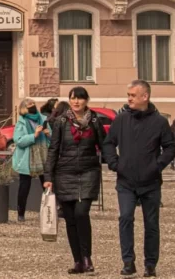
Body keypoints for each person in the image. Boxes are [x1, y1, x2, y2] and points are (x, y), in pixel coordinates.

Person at [102, 80, 175, 278]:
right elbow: (108, 143)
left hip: (151, 183)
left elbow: (170, 147)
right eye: (128, 95)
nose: (129, 98)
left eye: (133, 95)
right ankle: (128, 262)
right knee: (125, 218)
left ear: (145, 96)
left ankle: (150, 264)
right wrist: (114, 163)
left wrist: (157, 166)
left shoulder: (160, 121)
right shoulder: (121, 119)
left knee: (151, 224)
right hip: (126, 181)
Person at [45, 87, 107, 275]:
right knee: (70, 218)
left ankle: (87, 257)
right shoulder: (61, 121)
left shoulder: (95, 120)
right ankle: (78, 260)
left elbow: (105, 145)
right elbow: (53, 149)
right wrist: (48, 176)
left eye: (80, 98)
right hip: (65, 172)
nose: (76, 102)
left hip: (88, 172)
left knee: (81, 213)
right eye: (73, 98)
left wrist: (117, 164)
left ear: (86, 100)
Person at [12, 98, 51, 223]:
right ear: (24, 108)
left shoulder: (43, 119)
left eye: (34, 104)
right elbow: (18, 140)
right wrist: (34, 135)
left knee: (47, 186)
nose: (33, 106)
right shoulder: (21, 122)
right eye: (30, 105)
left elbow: (52, 139)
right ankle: (21, 213)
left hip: (43, 155)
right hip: (27, 158)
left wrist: (48, 134)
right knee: (24, 186)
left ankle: (50, 212)